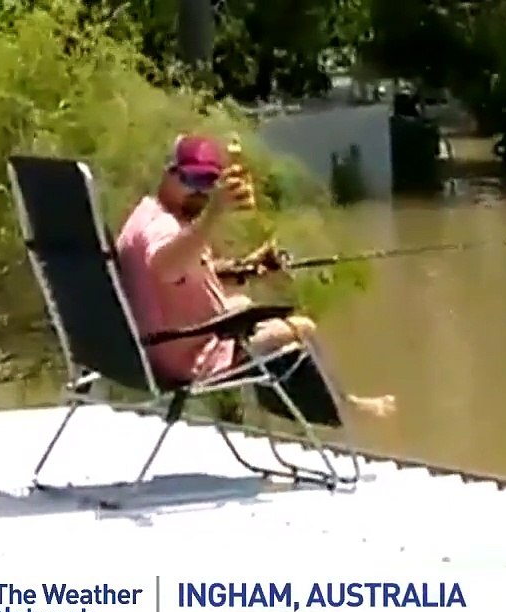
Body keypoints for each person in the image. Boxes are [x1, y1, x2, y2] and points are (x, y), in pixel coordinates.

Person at [115, 134, 396, 419]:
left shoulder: (147, 213)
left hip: (163, 344)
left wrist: (246, 267)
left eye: (208, 183)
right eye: (193, 180)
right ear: (169, 172)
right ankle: (347, 408)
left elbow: (181, 274)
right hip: (194, 358)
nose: (200, 192)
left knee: (243, 302)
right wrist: (213, 215)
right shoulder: (163, 227)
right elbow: (165, 266)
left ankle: (332, 403)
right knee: (304, 326)